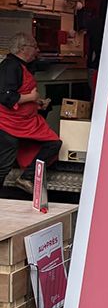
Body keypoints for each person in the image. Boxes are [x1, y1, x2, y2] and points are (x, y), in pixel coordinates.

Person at [0, 33, 62, 194]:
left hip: (25, 121)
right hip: (8, 123)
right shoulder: (10, 66)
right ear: (23, 48)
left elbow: (21, 92)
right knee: (4, 163)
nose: (37, 50)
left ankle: (27, 177)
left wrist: (37, 102)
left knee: (53, 143)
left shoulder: (22, 66)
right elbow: (5, 96)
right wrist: (32, 97)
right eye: (34, 47)